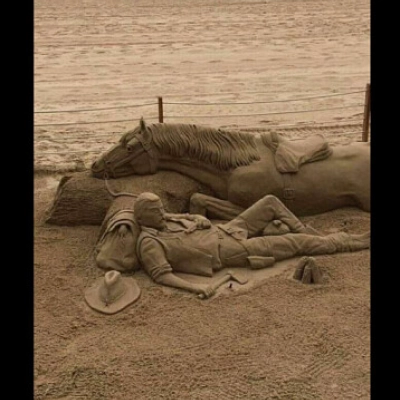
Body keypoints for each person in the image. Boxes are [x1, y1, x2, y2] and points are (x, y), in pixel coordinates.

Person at [134, 192, 370, 299]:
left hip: (227, 230)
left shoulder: (165, 220)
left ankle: (309, 234)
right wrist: (196, 288)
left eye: (162, 208)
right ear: (144, 217)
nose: (163, 213)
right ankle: (349, 243)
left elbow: (191, 217)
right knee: (294, 243)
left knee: (270, 202)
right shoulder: (149, 243)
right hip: (228, 252)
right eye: (157, 211)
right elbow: (162, 276)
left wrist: (199, 219)